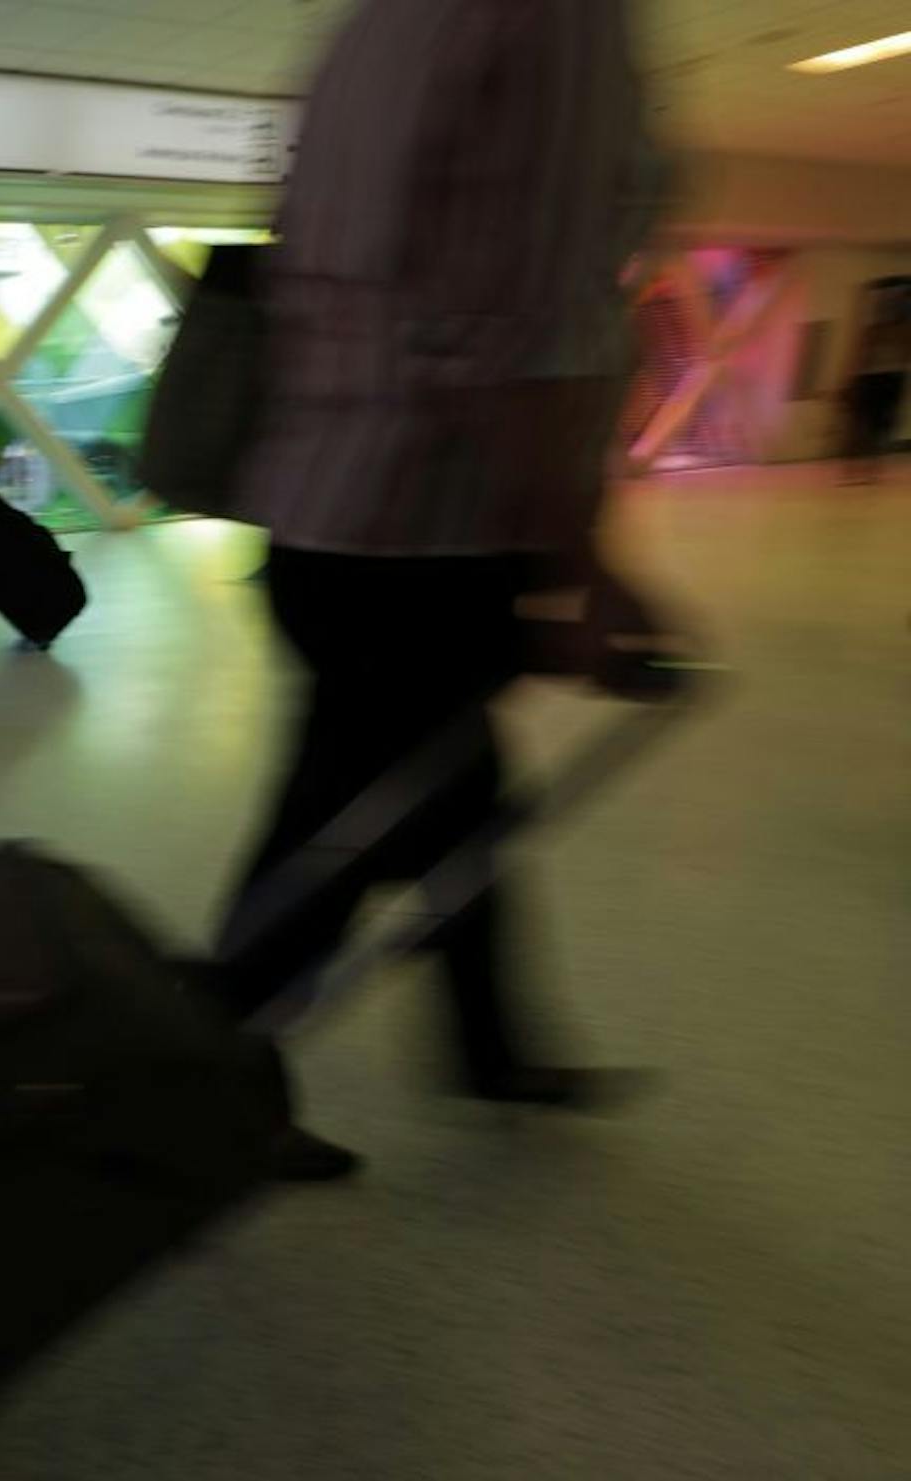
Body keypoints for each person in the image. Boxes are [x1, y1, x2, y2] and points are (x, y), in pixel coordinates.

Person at [211, 0, 675, 1177]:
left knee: (442, 798)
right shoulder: (554, 22)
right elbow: (517, 333)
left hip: (325, 513)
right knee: (344, 835)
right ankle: (203, 1090)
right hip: (427, 532)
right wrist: (581, 570)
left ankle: (488, 1048)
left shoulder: (382, 19)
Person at [839, 285, 908, 486]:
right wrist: (852, 381)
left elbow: (862, 355)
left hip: (888, 378)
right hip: (875, 379)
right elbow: (860, 356)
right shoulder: (875, 331)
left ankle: (869, 471)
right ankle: (857, 471)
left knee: (878, 429)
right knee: (863, 427)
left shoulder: (899, 332)